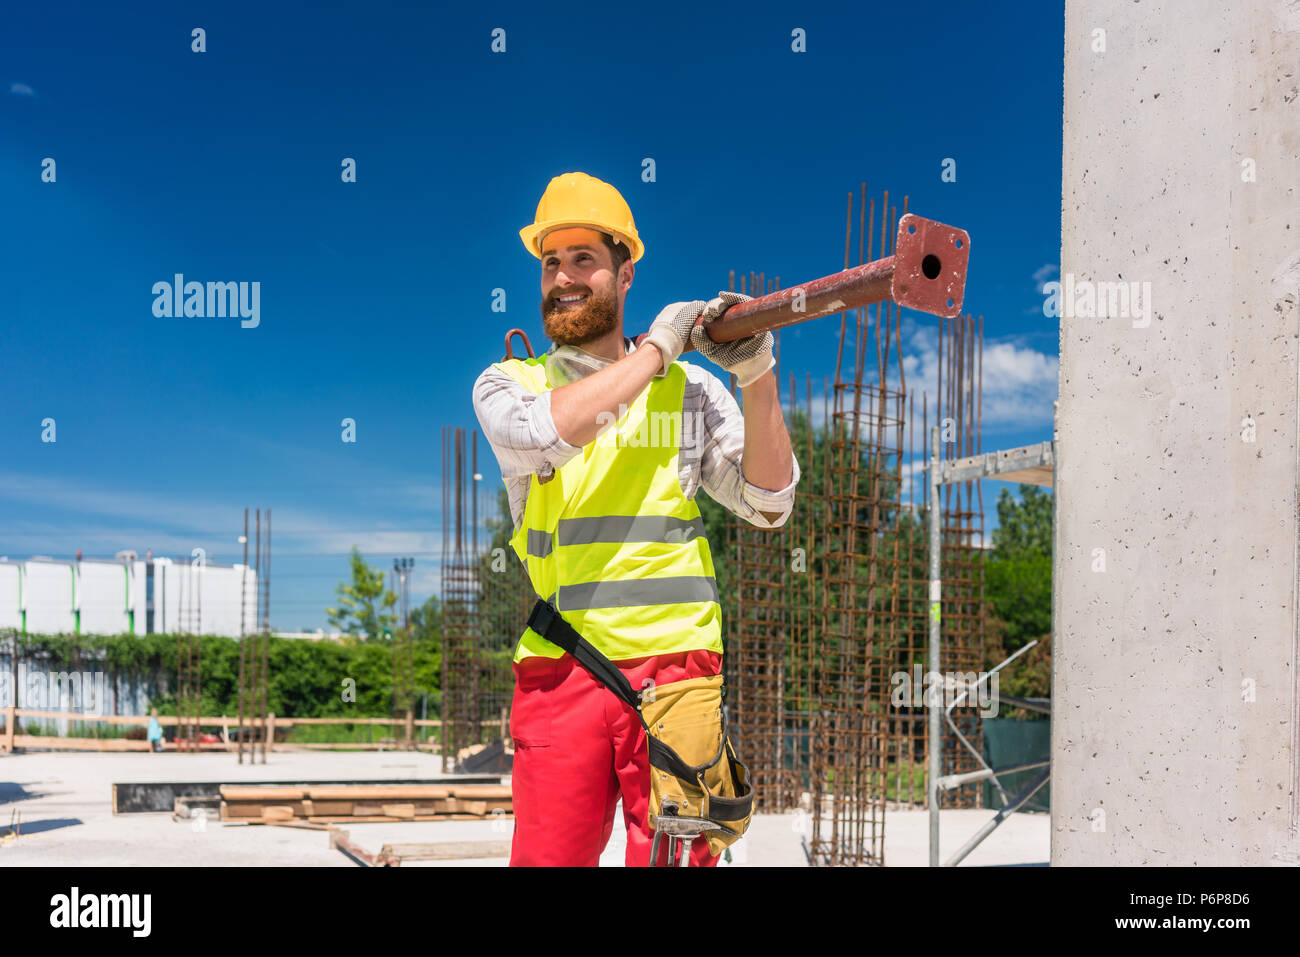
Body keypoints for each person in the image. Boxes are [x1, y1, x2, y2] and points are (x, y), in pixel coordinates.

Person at [473, 171, 800, 866]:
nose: (563, 276)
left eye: (583, 258)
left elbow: (770, 503)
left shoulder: (690, 392)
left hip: (676, 670)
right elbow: (550, 431)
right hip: (564, 667)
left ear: (626, 274)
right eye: (550, 261)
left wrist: (759, 374)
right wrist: (656, 349)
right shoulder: (512, 385)